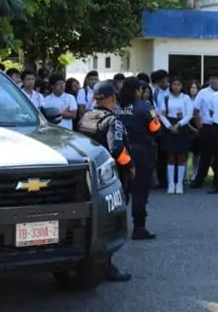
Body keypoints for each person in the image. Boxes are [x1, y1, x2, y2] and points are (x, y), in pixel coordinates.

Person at [76, 80, 133, 282]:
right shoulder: (112, 121)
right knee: (110, 224)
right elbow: (117, 149)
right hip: (110, 179)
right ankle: (107, 266)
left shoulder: (85, 117)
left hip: (86, 180)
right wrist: (130, 166)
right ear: (112, 98)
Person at [116, 77, 162, 238]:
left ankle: (115, 227)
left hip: (120, 151)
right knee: (140, 191)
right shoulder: (145, 107)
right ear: (137, 91)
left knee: (121, 191)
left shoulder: (116, 107)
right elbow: (156, 129)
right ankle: (139, 228)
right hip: (141, 151)